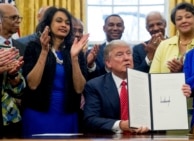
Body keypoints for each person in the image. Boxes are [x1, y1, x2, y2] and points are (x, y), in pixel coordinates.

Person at [83, 39, 192, 134]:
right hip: (111, 137)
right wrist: (121, 125)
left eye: (128, 53)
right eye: (119, 54)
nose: (126, 58)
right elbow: (90, 119)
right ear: (108, 63)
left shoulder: (149, 81)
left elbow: (166, 108)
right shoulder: (95, 86)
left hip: (147, 136)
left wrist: (179, 94)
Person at [21, 7, 88, 137]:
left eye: (67, 23)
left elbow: (79, 88)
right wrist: (44, 52)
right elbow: (32, 84)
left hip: (68, 113)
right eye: (59, 21)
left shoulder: (75, 51)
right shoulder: (34, 47)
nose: (64, 25)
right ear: (48, 24)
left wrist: (74, 58)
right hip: (38, 112)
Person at [149, 2, 194, 74]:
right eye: (179, 19)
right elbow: (153, 75)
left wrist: (182, 70)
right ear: (175, 24)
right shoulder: (163, 45)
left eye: (188, 17)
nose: (184, 21)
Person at [0, 16, 26, 138]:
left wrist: (13, 74)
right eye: (13, 17)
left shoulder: (12, 50)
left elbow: (19, 90)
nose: (18, 21)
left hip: (10, 117)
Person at [87, 14, 125, 80]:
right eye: (111, 25)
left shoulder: (129, 53)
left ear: (123, 29)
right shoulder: (93, 53)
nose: (115, 28)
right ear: (104, 28)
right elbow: (90, 78)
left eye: (119, 25)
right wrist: (91, 65)